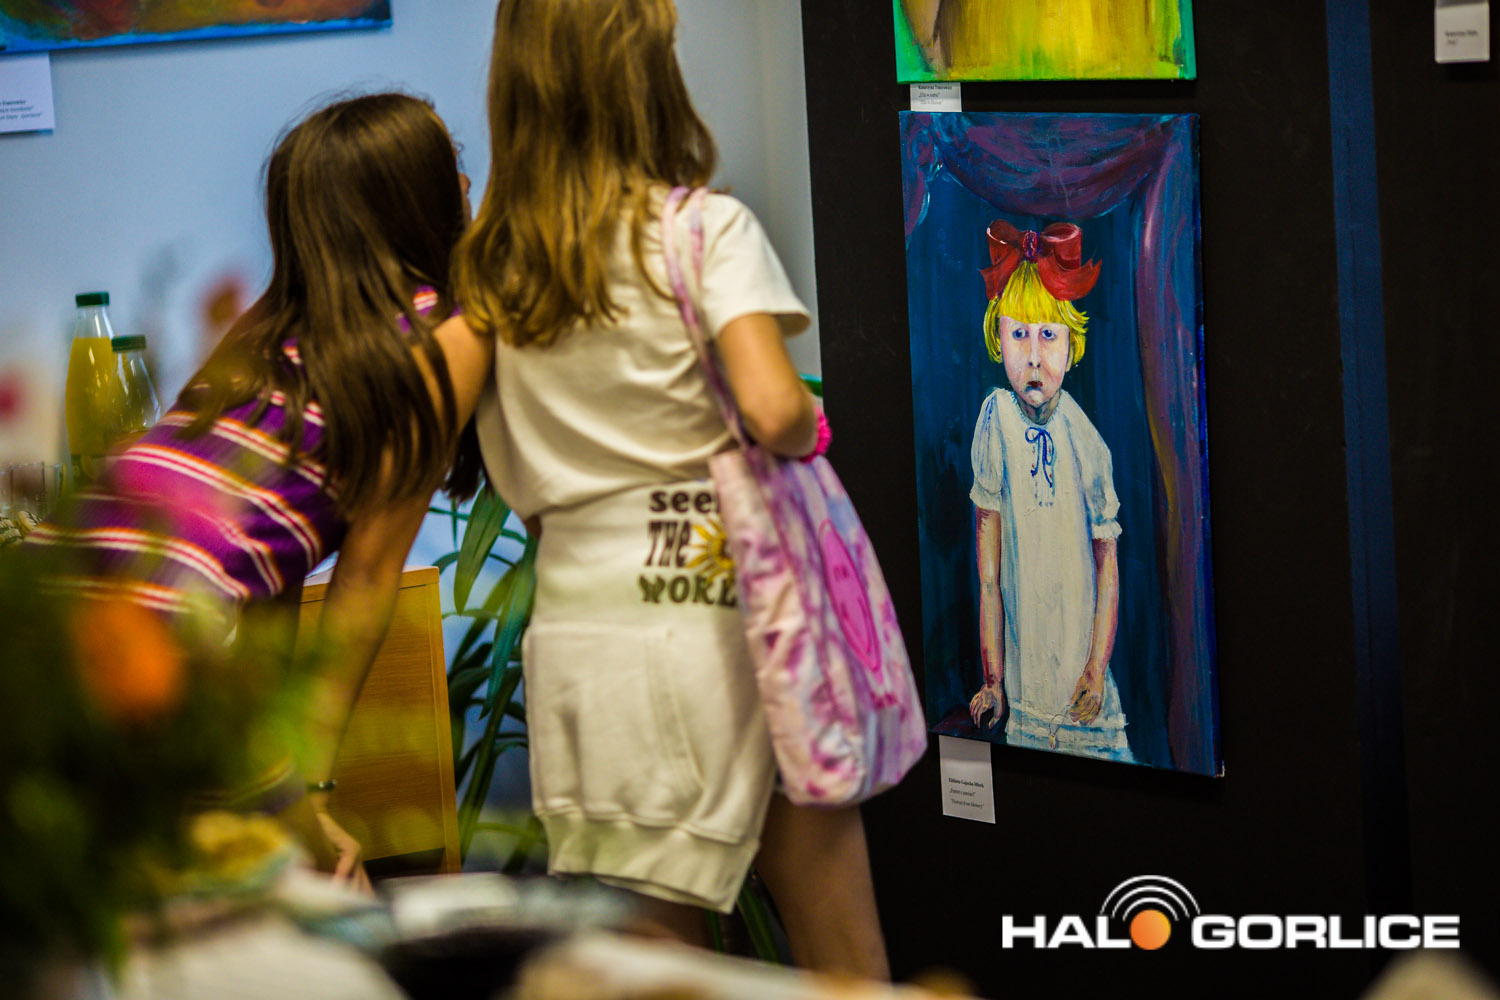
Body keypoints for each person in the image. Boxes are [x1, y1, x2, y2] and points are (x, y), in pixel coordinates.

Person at [453, 0, 889, 980]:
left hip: (582, 635)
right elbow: (774, 408)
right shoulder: (704, 230)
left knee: (659, 967)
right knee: (840, 944)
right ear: (643, 73)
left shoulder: (493, 270)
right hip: (723, 613)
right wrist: (799, 424)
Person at [24, 92, 495, 879]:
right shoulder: (446, 337)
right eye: (451, 165)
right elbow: (367, 577)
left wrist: (284, 774)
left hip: (38, 604)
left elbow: (263, 571)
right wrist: (307, 788)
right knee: (288, 898)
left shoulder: (265, 328)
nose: (467, 183)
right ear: (413, 198)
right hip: (158, 639)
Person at [966, 220, 1134, 763]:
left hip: (1083, 691)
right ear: (998, 338)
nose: (1034, 357)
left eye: (1048, 335)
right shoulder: (994, 421)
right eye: (1019, 334)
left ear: (1071, 343)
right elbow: (989, 576)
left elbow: (1107, 570)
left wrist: (1096, 670)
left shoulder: (1087, 443)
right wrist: (994, 680)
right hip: (1026, 691)